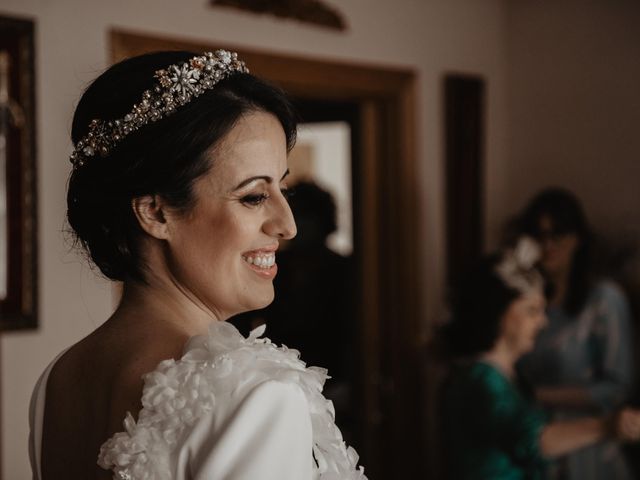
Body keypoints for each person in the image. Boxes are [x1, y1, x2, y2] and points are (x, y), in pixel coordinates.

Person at [28, 50, 367, 480]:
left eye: (283, 190)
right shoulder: (255, 396)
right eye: (253, 197)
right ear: (155, 213)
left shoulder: (59, 381)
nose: (288, 226)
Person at [440, 237, 640, 480]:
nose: (543, 322)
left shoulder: (512, 375)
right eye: (531, 311)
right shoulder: (481, 380)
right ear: (498, 311)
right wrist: (605, 426)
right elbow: (534, 441)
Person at [516, 188, 635, 479]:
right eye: (540, 235)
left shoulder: (603, 300)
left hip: (588, 449)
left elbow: (617, 387)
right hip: (535, 445)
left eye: (558, 233)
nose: (548, 244)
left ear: (577, 238)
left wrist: (540, 395)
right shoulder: (525, 304)